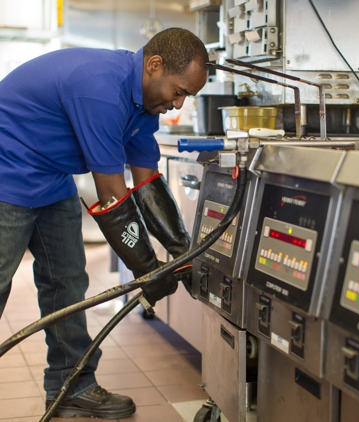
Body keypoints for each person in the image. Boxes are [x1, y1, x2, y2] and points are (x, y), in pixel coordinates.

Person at [0, 27, 208, 419]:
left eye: (186, 97)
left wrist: (182, 252)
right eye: (178, 91)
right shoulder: (100, 89)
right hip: (5, 172)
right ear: (154, 65)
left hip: (52, 176)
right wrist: (148, 269)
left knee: (67, 282)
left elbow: (146, 180)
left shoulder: (142, 105)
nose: (177, 104)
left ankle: (71, 386)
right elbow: (112, 193)